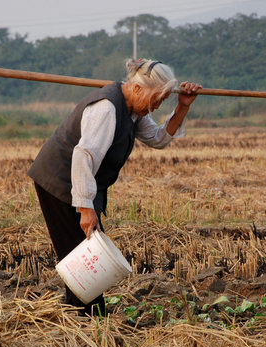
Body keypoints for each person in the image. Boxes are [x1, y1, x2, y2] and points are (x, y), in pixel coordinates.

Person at [27, 58, 201, 316]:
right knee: (85, 256)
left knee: (86, 255)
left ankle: (82, 316)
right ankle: (88, 320)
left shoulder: (134, 110)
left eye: (162, 101)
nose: (156, 106)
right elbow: (83, 155)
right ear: (139, 89)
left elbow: (158, 138)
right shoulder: (106, 109)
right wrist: (86, 209)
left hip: (82, 183)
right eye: (156, 99)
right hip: (60, 181)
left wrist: (182, 107)